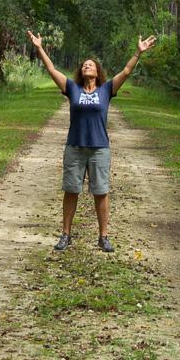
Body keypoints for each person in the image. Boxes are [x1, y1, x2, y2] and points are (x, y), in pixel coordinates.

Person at [27, 29, 157, 253]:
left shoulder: (107, 90)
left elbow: (126, 71)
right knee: (71, 190)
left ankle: (103, 237)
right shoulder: (72, 88)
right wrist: (39, 48)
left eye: (91, 64)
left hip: (99, 149)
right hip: (75, 147)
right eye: (84, 64)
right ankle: (66, 235)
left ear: (97, 72)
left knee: (101, 192)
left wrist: (138, 52)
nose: (87, 66)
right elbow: (51, 69)